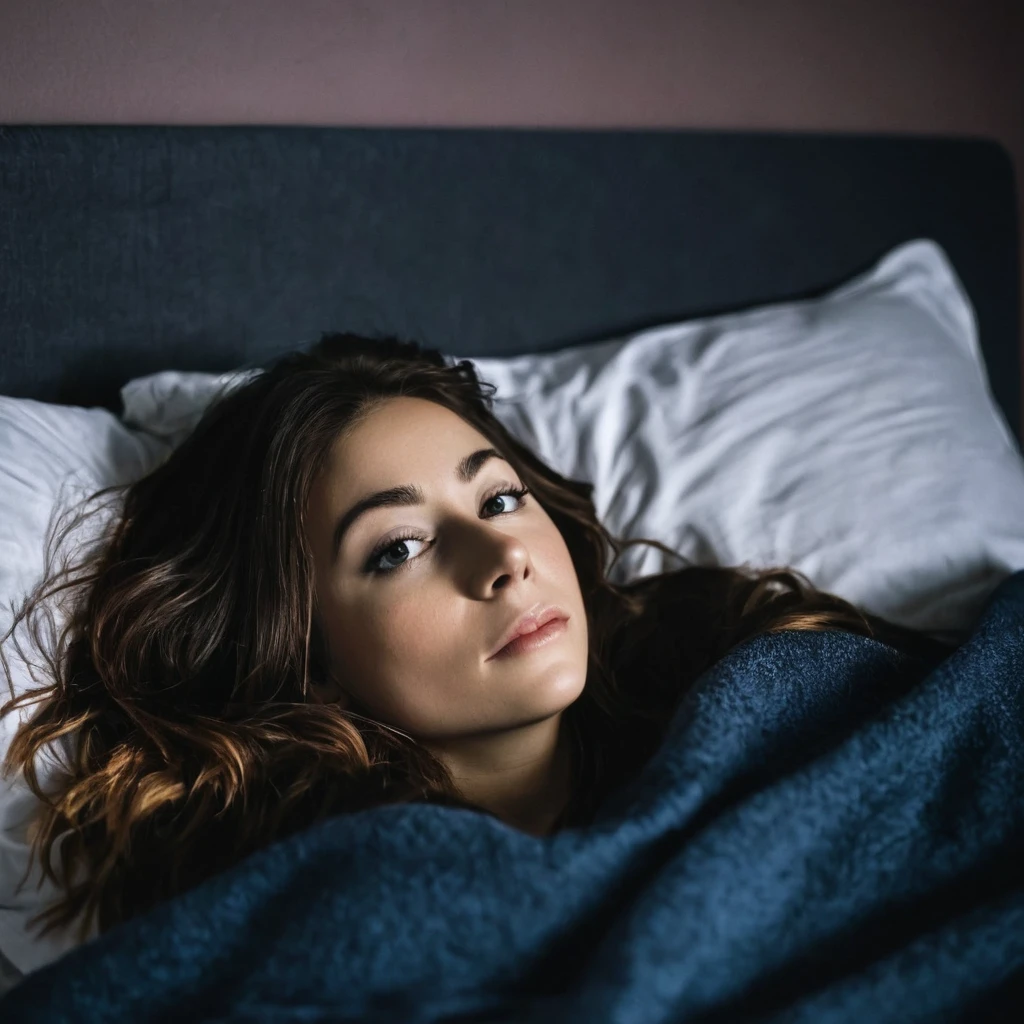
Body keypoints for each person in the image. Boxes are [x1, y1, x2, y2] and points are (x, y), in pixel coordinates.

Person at [0, 332, 957, 945]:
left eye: (499, 496)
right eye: (398, 548)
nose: (501, 552)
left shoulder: (744, 667)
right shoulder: (325, 905)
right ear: (310, 658)